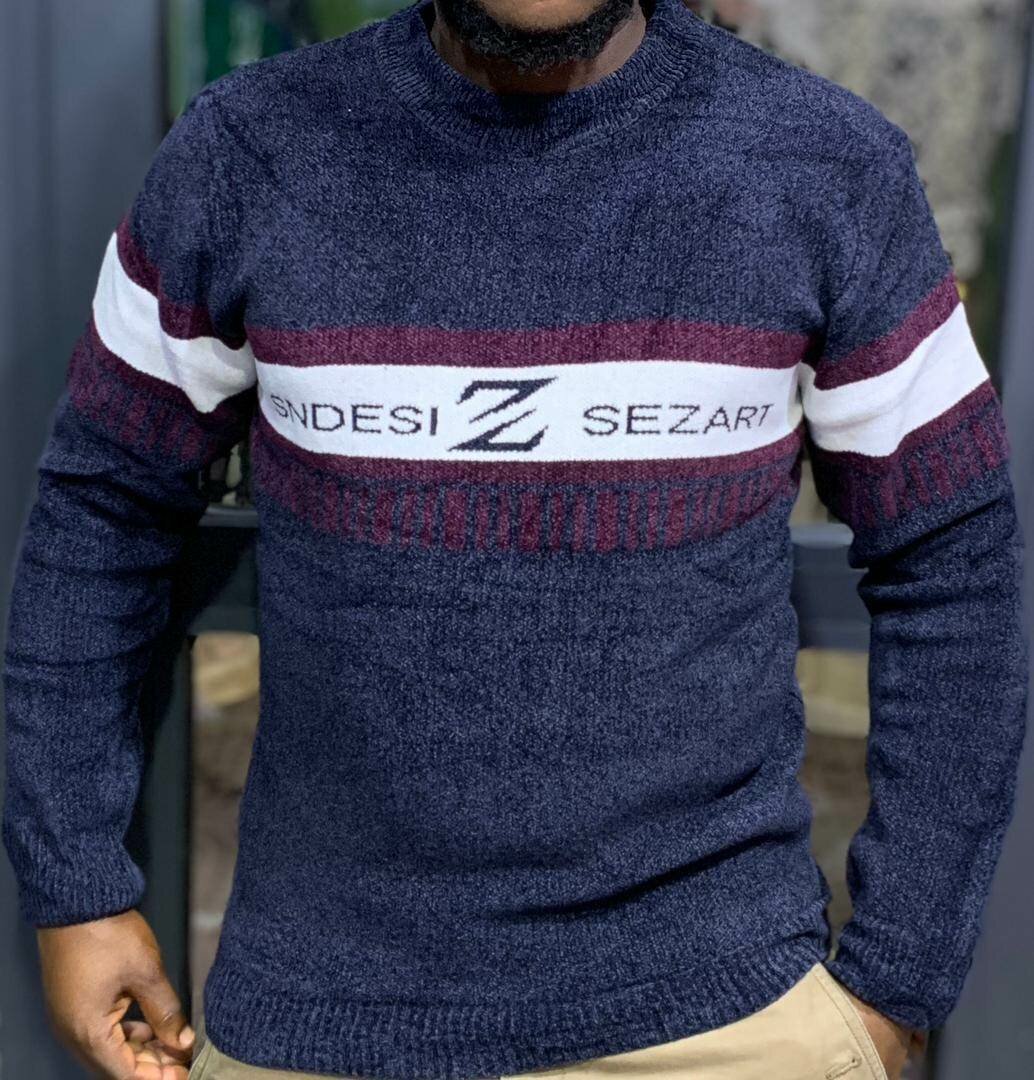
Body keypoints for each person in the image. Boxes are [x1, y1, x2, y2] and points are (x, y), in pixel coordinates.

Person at [2, 0, 1028, 1078]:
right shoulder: (248, 152)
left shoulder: (825, 165)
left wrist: (895, 979)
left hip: (729, 1021)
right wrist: (76, 889)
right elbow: (102, 511)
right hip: (321, 1016)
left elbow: (953, 561)